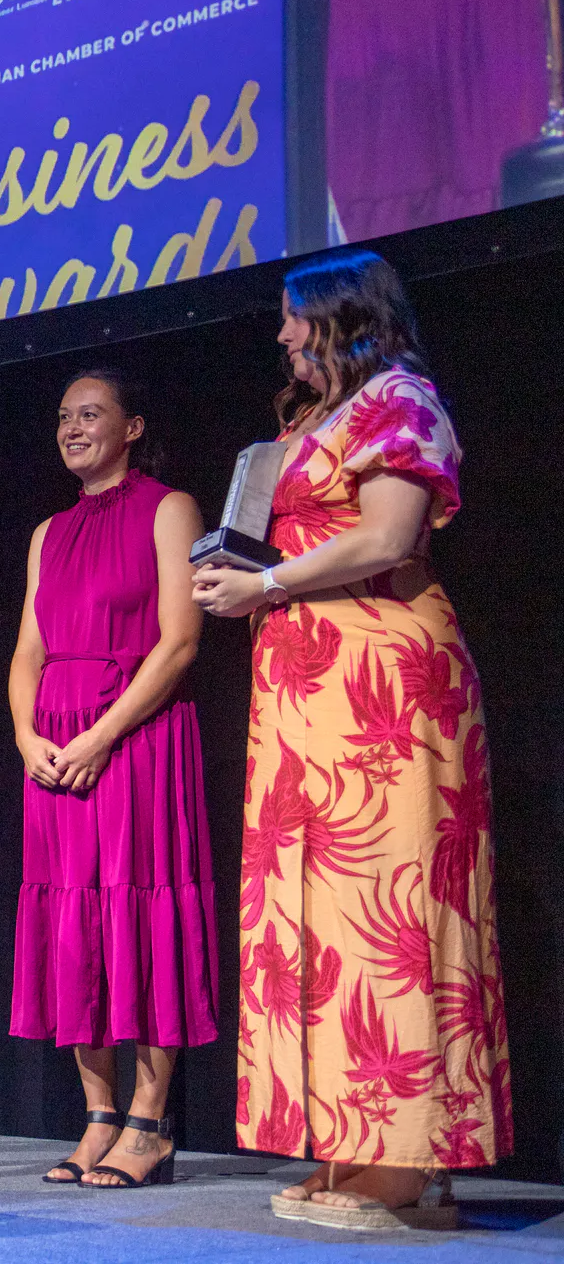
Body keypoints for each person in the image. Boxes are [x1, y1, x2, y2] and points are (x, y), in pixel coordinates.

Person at [194, 248, 509, 1228]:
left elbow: (386, 536)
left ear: (344, 317)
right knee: (317, 915)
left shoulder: (399, 401)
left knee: (388, 902)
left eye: (295, 317)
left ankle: (408, 1159)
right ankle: (352, 1139)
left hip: (382, 686)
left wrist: (263, 583)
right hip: (306, 691)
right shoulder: (316, 420)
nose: (283, 334)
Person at [8, 373, 217, 1189]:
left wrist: (101, 735)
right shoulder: (48, 531)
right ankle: (98, 1115)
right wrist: (27, 735)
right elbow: (28, 651)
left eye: (90, 413)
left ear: (132, 427)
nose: (72, 427)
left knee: (145, 913)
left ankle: (150, 1121)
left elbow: (181, 640)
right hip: (57, 750)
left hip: (137, 737)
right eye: (63, 415)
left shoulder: (170, 508)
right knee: (76, 924)